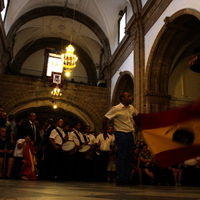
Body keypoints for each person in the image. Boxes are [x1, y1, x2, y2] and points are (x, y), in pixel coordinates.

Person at [102, 92, 139, 185]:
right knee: (122, 156)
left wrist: (138, 126)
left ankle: (127, 178)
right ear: (122, 98)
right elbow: (105, 119)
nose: (130, 98)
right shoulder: (116, 108)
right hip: (121, 134)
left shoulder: (131, 108)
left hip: (130, 133)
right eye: (128, 96)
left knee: (128, 156)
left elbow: (137, 116)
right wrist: (104, 132)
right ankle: (120, 178)